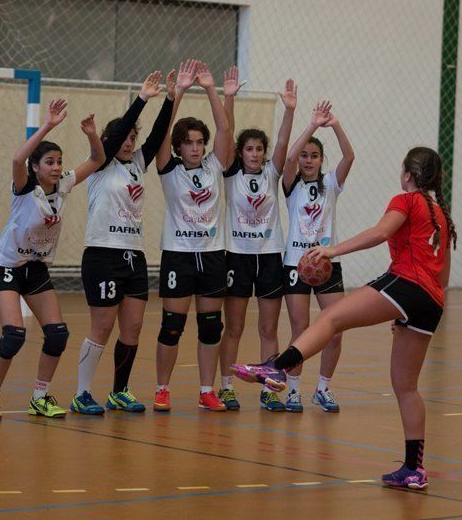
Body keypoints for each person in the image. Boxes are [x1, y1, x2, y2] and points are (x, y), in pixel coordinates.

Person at [232, 147, 457, 490]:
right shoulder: (441, 214)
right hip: (431, 301)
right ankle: (415, 469)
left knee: (332, 317)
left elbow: (381, 233)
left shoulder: (405, 200)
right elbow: (442, 279)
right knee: (406, 386)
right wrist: (408, 313)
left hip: (407, 282)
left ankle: (278, 367)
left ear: (408, 175)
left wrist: (332, 250)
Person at [0, 99, 105, 421]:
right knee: (14, 335)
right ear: (36, 167)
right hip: (7, 267)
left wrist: (92, 133)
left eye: (59, 161)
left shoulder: (63, 186)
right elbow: (17, 157)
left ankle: (40, 396)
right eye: (49, 162)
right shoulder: (24, 188)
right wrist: (48, 125)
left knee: (58, 334)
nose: (56, 167)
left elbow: (97, 159)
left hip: (35, 268)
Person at [70, 71, 173, 415]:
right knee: (102, 325)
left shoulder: (137, 165)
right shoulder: (101, 163)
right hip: (102, 253)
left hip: (135, 255)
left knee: (133, 326)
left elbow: (158, 136)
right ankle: (82, 392)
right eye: (123, 138)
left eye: (132, 137)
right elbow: (113, 139)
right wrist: (142, 98)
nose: (128, 143)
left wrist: (172, 98)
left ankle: (119, 391)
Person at [152, 61, 235, 412]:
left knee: (211, 327)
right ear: (179, 147)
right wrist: (179, 93)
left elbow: (226, 129)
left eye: (200, 142)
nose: (197, 148)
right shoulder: (168, 169)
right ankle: (162, 388)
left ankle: (206, 390)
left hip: (214, 254)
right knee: (172, 326)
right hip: (179, 254)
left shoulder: (215, 166)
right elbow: (160, 134)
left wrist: (211, 89)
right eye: (189, 143)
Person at [217, 78, 297, 411]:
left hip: (269, 257)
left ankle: (269, 388)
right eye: (248, 148)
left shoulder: (272, 173)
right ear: (241, 152)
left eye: (258, 149)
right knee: (233, 326)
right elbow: (226, 132)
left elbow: (282, 141)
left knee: (268, 327)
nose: (254, 153)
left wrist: (290, 110)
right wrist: (229, 99)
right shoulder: (230, 172)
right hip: (237, 256)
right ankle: (225, 387)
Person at [280, 100, 355, 412]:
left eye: (314, 156)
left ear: (322, 160)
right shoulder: (290, 184)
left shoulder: (330, 185)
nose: (308, 160)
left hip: (327, 264)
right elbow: (286, 158)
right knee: (301, 330)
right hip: (296, 264)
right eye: (305, 156)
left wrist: (334, 124)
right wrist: (311, 125)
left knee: (335, 329)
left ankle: (323, 388)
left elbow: (350, 156)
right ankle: (293, 390)